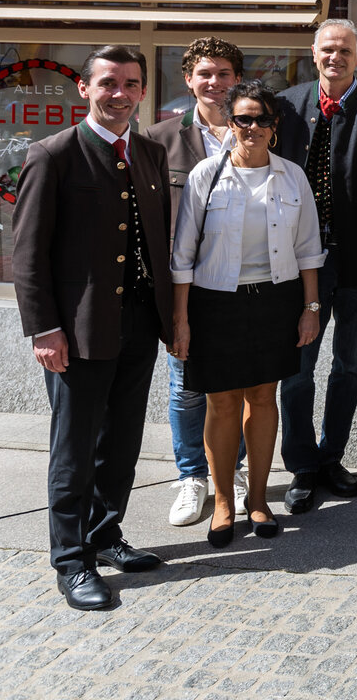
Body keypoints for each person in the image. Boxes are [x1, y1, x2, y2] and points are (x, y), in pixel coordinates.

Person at [13, 45, 173, 611]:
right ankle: (72, 559)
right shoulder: (52, 154)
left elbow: (159, 245)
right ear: (85, 89)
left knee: (122, 443)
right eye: (108, 83)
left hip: (137, 324)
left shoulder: (150, 153)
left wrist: (170, 321)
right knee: (74, 449)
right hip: (76, 332)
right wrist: (44, 329)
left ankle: (106, 535)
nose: (120, 94)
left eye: (131, 84)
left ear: (142, 91)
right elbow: (28, 256)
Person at [170, 81, 324, 547]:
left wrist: (310, 309)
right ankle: (222, 502)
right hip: (216, 301)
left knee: (262, 398)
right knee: (221, 403)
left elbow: (308, 250)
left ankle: (258, 499)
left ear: (275, 126)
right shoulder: (205, 175)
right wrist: (181, 320)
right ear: (230, 123)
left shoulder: (293, 176)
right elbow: (182, 255)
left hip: (275, 301)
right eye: (243, 119)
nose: (252, 127)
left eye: (262, 119)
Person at [274, 18, 357, 514]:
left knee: (348, 367)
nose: (336, 56)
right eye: (328, 48)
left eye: (345, 50)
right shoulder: (284, 107)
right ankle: (301, 465)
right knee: (298, 370)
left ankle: (332, 458)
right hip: (295, 267)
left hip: (356, 265)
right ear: (314, 53)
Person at [142, 36, 246, 528]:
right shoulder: (160, 139)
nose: (215, 83)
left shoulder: (259, 131)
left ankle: (236, 472)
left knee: (243, 383)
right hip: (185, 285)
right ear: (188, 80)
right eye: (205, 74)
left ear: (237, 80)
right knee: (185, 387)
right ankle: (192, 477)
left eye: (224, 74)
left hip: (247, 281)